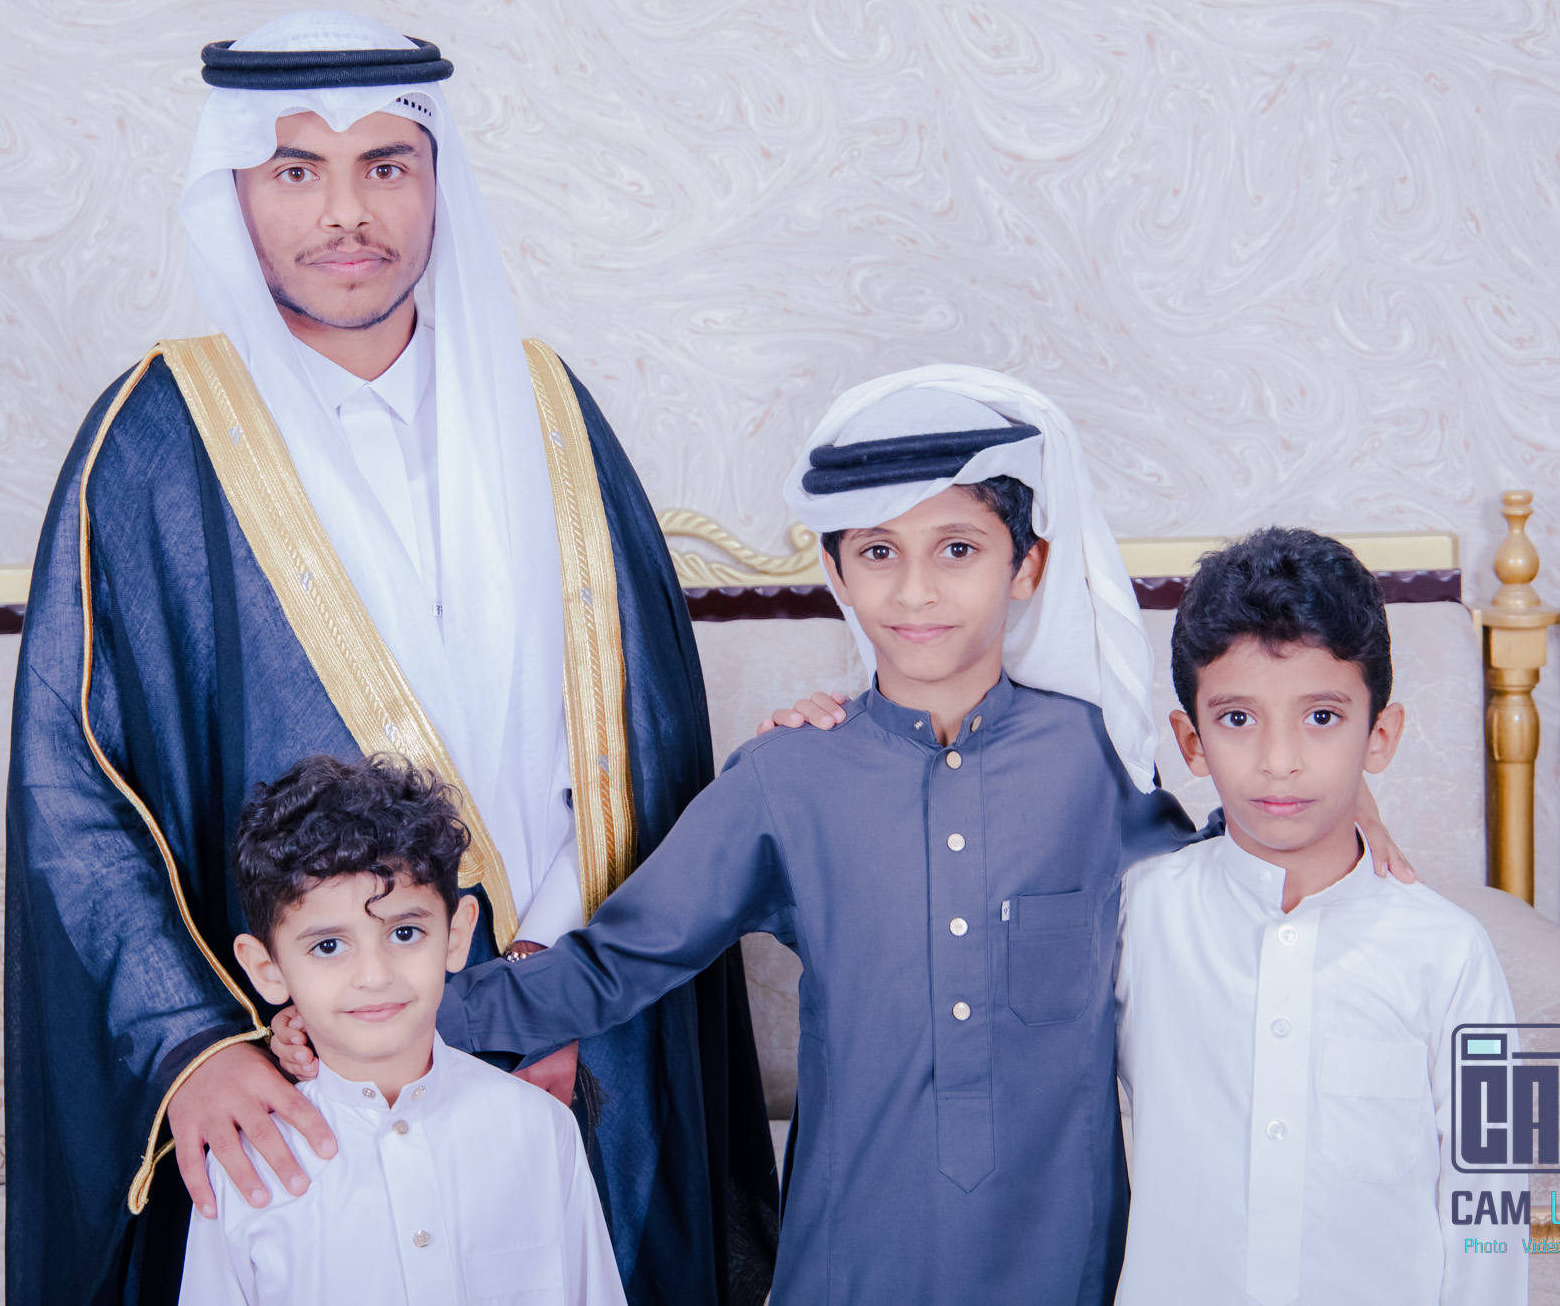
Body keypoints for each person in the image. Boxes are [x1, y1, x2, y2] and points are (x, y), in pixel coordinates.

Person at [6, 9, 776, 1306]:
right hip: (298, 1064)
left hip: (576, 1034)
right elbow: (74, 789)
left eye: (385, 165)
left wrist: (553, 998)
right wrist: (190, 1042)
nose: (344, 213)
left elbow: (636, 747)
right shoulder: (156, 435)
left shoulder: (547, 408)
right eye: (295, 169)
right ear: (234, 190)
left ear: (436, 179)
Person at [428, 369, 1410, 1304]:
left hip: (1066, 1265)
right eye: (877, 553)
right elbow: (619, 960)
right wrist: (408, 1010)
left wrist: (1336, 805)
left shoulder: (1093, 760)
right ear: (833, 571)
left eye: (957, 549)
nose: (914, 593)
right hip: (850, 1262)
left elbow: (1221, 897)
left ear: (1027, 565)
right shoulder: (786, 776)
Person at [1113, 527, 1526, 1305]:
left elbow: (1492, 1200)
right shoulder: (1141, 919)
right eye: (1238, 719)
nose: (1280, 759)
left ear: (1381, 734)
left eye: (1323, 717)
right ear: (1190, 740)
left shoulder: (1449, 953)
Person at [178, 753, 625, 1306]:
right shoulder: (246, 1169)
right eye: (328, 946)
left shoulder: (541, 1130)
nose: (374, 975)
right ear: (267, 969)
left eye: (405, 933)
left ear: (456, 935)